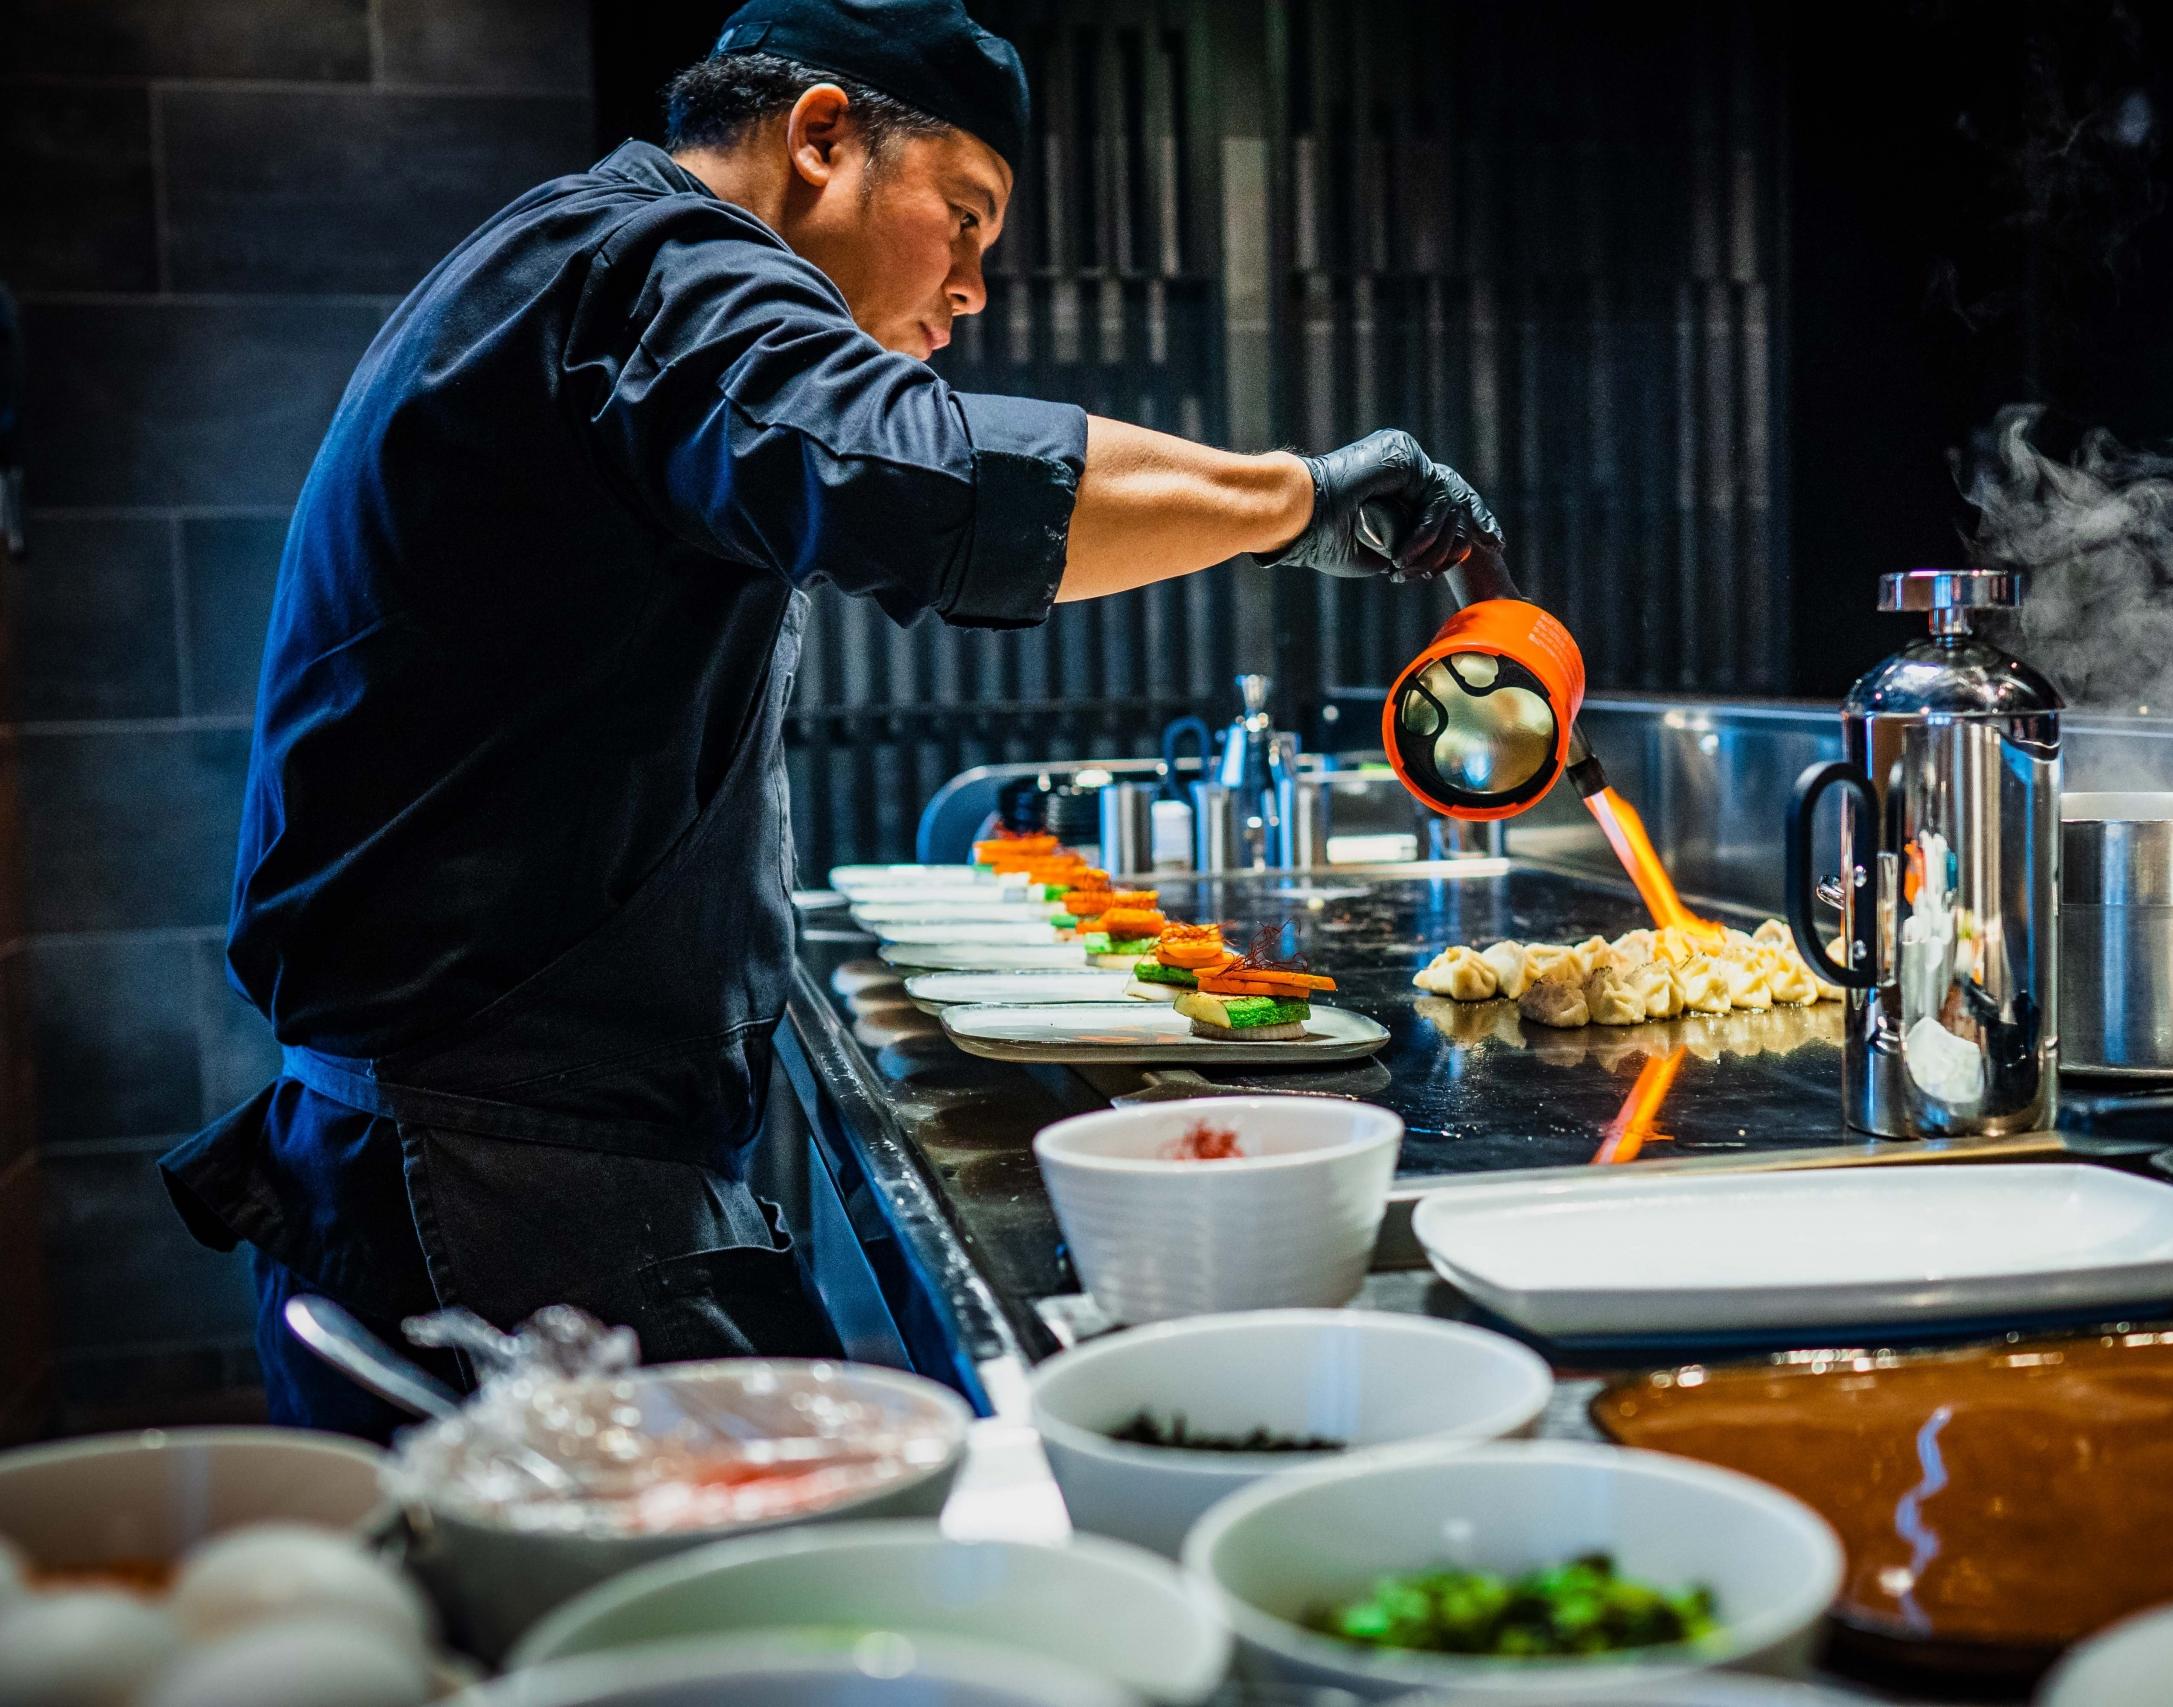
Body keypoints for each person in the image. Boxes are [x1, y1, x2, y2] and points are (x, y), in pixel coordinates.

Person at [157, 0, 1503, 1440]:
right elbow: (921, 484)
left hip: (464, 1152)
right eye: (967, 217)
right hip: (500, 1185)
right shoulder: (653, 263)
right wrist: (1291, 499)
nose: (977, 284)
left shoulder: (574, 266)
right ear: (820, 137)